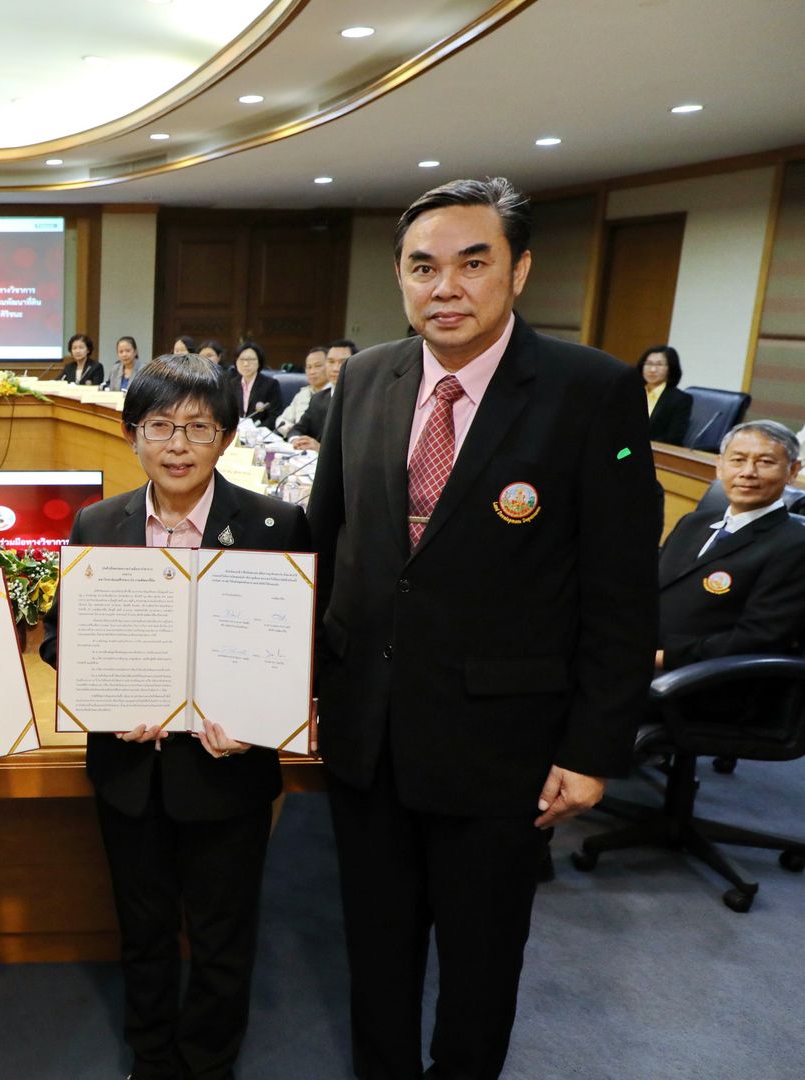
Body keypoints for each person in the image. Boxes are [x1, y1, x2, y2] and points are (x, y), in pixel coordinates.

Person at [308, 177, 659, 1080]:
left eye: (474, 262)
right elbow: (328, 543)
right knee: (376, 958)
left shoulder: (591, 390)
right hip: (369, 737)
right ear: (399, 277)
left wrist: (592, 749)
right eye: (424, 266)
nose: (447, 286)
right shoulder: (365, 379)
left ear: (520, 270)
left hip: (502, 748)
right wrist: (300, 688)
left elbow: (621, 589)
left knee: (479, 969)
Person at [41, 353, 308, 1080]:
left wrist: (263, 717)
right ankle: (153, 1059)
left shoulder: (273, 522)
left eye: (198, 426)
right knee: (145, 931)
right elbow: (66, 639)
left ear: (226, 437)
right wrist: (107, 697)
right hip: (132, 771)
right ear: (133, 435)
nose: (179, 444)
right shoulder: (100, 521)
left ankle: (210, 1063)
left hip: (229, 771)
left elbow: (298, 648)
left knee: (224, 936)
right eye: (160, 426)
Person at [658, 420, 805, 670]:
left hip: (698, 682)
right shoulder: (693, 523)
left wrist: (661, 658)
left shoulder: (795, 545)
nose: (748, 472)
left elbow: (757, 638)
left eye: (765, 462)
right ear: (719, 466)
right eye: (737, 460)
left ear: (792, 471)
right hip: (635, 656)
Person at [288, 342, 350, 450]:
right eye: (331, 362)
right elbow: (298, 428)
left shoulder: (364, 402)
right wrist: (297, 440)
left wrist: (320, 448)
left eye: (342, 362)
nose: (335, 368)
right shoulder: (318, 398)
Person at [639, 344, 693, 446]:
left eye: (659, 365)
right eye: (649, 364)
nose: (652, 370)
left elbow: (674, 438)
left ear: (671, 368)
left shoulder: (680, 400)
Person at [276, 346, 329, 435]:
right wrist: (294, 432)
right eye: (309, 367)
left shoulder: (334, 394)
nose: (312, 372)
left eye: (318, 366)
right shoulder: (303, 394)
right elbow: (281, 420)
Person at [233, 341, 281, 427]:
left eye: (251, 359)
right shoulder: (230, 384)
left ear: (259, 362)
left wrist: (256, 431)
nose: (245, 364)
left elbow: (274, 416)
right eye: (241, 359)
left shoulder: (271, 385)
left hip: (259, 434)